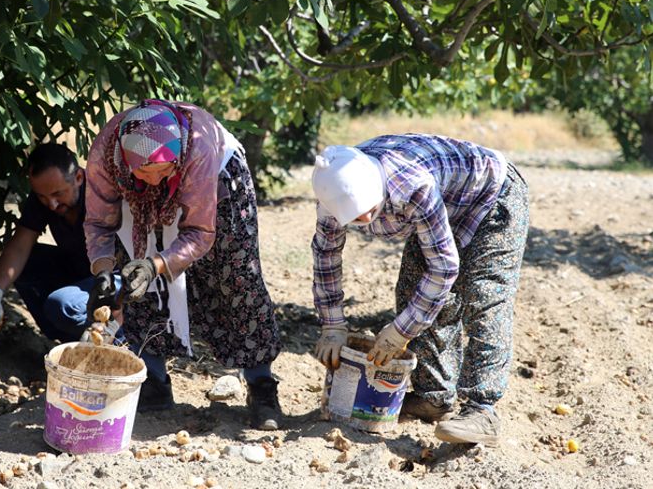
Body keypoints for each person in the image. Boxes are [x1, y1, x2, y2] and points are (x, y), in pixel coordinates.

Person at [310, 134, 529, 447]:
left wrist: (400, 333)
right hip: (446, 202)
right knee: (414, 286)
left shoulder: (412, 185)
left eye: (366, 210)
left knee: (484, 294)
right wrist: (332, 325)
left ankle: (482, 409)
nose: (362, 219)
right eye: (353, 216)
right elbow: (326, 256)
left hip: (492, 193)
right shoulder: (333, 192)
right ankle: (434, 397)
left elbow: (444, 268)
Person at [83, 99, 283, 430]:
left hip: (216, 181)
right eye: (147, 172)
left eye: (164, 171)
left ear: (176, 159)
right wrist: (103, 270)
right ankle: (154, 382)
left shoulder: (198, 152)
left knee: (237, 277)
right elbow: (99, 223)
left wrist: (156, 264)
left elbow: (200, 233)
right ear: (127, 162)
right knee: (135, 277)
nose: (156, 182)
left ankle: (261, 385)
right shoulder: (106, 156)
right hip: (135, 196)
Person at [0, 143, 106, 342]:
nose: (51, 204)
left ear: (78, 178)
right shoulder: (45, 196)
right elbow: (19, 246)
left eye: (58, 194)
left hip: (111, 279)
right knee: (28, 263)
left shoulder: (102, 197)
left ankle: (111, 340)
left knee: (63, 305)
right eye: (42, 197)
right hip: (78, 269)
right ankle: (66, 340)